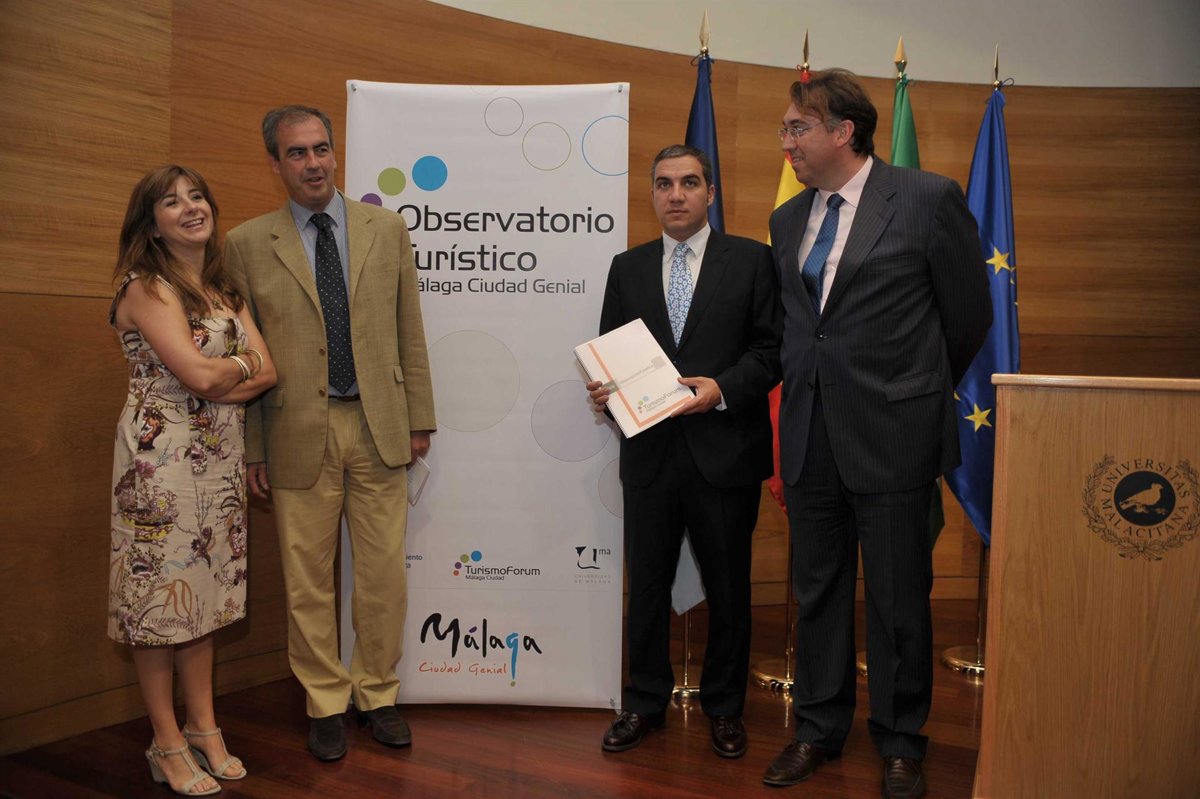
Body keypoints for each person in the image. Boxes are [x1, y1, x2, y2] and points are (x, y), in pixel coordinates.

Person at [761, 70, 992, 798]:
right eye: (784, 128)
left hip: (895, 434)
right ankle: (817, 729)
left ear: (844, 132)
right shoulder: (787, 219)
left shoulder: (926, 199)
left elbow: (967, 318)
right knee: (819, 592)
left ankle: (900, 741)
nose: (787, 141)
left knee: (898, 600)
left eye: (798, 127)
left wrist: (906, 389)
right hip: (810, 434)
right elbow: (799, 328)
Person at [224, 105, 436, 762]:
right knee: (307, 580)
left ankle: (376, 692)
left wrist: (419, 417)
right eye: (297, 152)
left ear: (335, 152)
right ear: (275, 162)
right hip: (295, 431)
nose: (313, 163)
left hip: (379, 425)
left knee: (383, 575)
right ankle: (324, 701)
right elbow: (246, 352)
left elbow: (408, 328)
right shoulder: (246, 244)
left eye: (321, 148)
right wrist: (254, 448)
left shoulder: (386, 228)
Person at [587, 144, 781, 759]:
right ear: (652, 193)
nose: (676, 194)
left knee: (729, 590)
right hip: (649, 457)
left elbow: (772, 352)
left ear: (710, 193)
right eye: (665, 183)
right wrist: (604, 393)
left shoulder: (752, 261)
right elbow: (609, 354)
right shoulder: (627, 268)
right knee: (646, 588)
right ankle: (644, 703)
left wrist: (721, 389)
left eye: (690, 183)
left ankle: (725, 708)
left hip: (726, 453)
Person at [109, 165, 277, 796]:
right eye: (171, 202)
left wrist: (229, 371)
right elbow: (204, 378)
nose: (190, 208)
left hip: (218, 464)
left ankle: (203, 728)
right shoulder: (146, 287)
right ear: (151, 224)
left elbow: (270, 371)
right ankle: (166, 741)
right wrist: (238, 366)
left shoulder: (223, 290)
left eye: (197, 196)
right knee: (157, 604)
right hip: (161, 468)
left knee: (201, 598)